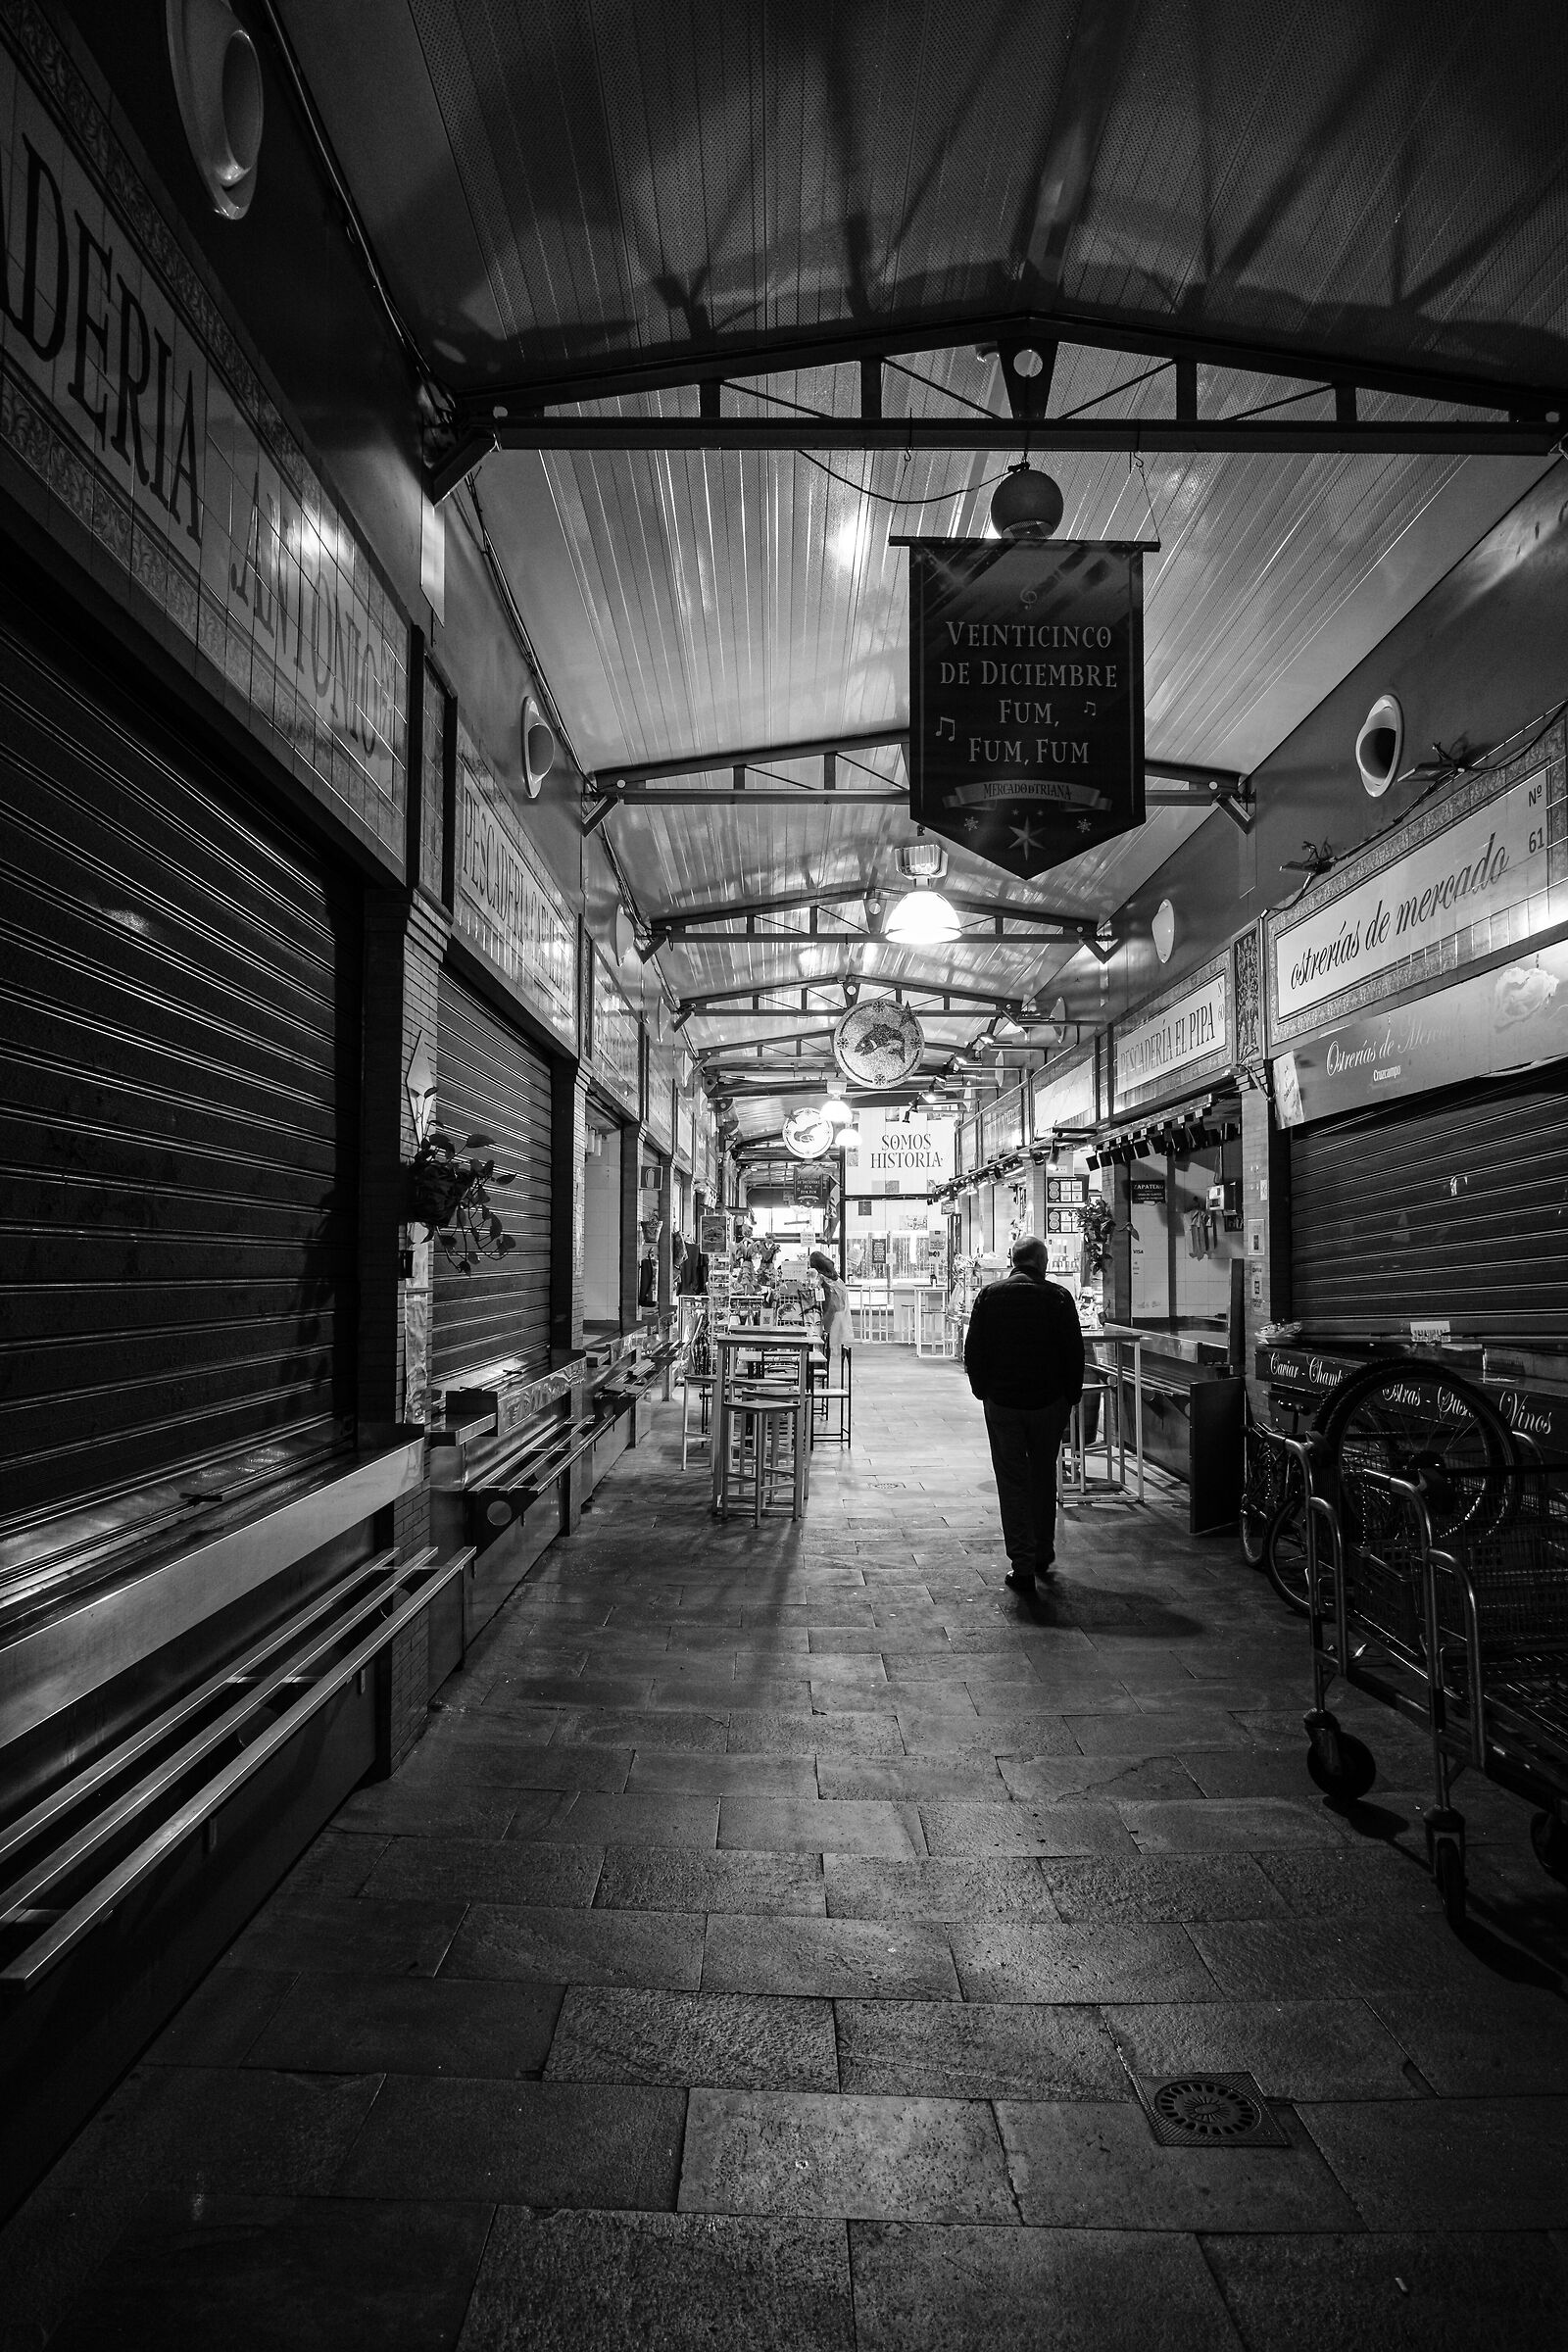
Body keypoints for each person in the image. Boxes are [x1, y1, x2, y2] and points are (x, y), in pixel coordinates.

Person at [963, 1234, 1084, 1613]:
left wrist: (984, 1391)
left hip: (1004, 1404)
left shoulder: (989, 1295)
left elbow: (974, 1349)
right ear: (1042, 1263)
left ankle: (1022, 1564)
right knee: (1043, 1476)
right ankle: (1043, 1551)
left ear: (1013, 1261)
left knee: (1012, 1480)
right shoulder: (1059, 1297)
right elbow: (1073, 1351)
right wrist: (1070, 1396)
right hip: (1048, 1403)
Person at [808, 1248, 851, 1362]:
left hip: (826, 1318)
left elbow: (827, 1305)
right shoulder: (836, 1280)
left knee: (821, 1347)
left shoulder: (822, 1281)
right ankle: (823, 1372)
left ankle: (819, 1372)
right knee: (827, 1348)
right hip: (838, 1317)